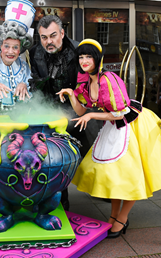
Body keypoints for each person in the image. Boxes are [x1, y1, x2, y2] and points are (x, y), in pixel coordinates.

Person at [57, 38, 161, 238]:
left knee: (129, 176)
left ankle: (122, 217)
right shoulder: (86, 81)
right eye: (81, 56)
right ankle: (113, 217)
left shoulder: (108, 79)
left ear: (97, 58)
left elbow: (120, 113)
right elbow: (80, 109)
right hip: (113, 125)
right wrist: (71, 93)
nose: (84, 60)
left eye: (88, 56)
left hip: (130, 124)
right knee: (111, 175)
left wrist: (91, 115)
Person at [28, 15, 91, 211]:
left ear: (62, 33)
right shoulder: (34, 52)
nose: (49, 41)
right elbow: (36, 82)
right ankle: (61, 197)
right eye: (44, 37)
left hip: (77, 108)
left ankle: (101, 189)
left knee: (89, 152)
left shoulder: (78, 50)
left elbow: (89, 78)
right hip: (49, 110)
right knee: (54, 156)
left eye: (53, 35)